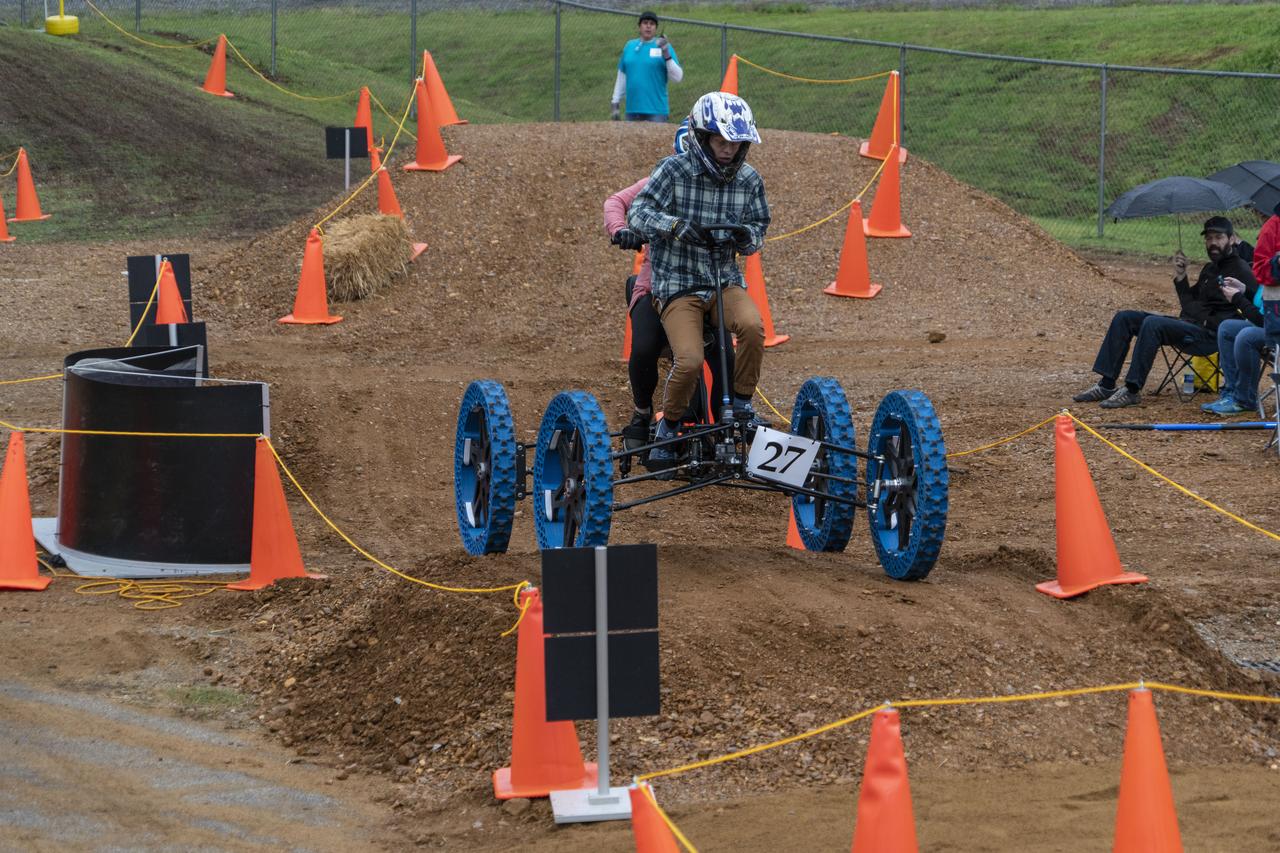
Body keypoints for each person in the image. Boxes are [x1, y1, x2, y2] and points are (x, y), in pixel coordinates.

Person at [626, 91, 771, 467]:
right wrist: (673, 226)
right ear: (703, 137)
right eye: (721, 141)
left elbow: (759, 224)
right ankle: (668, 426)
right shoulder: (672, 170)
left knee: (754, 328)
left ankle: (741, 404)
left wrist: (747, 237)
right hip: (678, 285)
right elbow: (638, 212)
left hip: (723, 280)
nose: (728, 150)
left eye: (735, 143)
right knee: (688, 360)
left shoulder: (749, 180)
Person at [603, 120, 733, 448]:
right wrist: (621, 231)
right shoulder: (660, 182)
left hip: (706, 284)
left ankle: (723, 426)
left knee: (725, 355)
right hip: (658, 284)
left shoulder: (726, 187)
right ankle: (642, 411)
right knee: (644, 345)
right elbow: (615, 202)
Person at [1073, 216, 1258, 409]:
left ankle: (1132, 390)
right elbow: (1189, 301)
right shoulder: (1210, 268)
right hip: (1188, 325)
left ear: (1231, 239)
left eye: (1218, 237)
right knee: (1125, 317)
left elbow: (1252, 307)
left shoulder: (1241, 270)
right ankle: (1107, 385)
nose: (1212, 243)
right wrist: (1181, 275)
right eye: (1209, 238)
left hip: (1210, 335)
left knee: (1153, 323)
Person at [611, 10, 683, 123]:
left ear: (656, 28)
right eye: (645, 23)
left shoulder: (664, 47)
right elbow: (622, 76)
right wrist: (615, 102)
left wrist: (666, 54)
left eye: (652, 24)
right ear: (639, 26)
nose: (648, 26)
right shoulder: (629, 47)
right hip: (632, 112)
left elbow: (678, 77)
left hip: (657, 112)